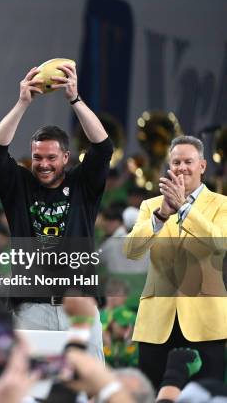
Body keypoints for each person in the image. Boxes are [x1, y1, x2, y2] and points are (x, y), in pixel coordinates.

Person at [0, 64, 113, 361]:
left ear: (66, 157)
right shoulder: (20, 186)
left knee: (88, 387)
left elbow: (103, 148)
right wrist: (22, 103)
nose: (43, 164)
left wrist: (75, 100)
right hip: (31, 310)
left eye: (51, 158)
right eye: (37, 157)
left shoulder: (83, 185)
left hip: (78, 305)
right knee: (29, 387)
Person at [124, 135, 227, 389]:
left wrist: (184, 209)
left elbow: (219, 243)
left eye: (188, 162)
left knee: (205, 395)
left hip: (206, 323)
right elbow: (131, 250)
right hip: (157, 322)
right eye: (176, 162)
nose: (182, 167)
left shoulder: (222, 204)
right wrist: (160, 217)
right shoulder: (151, 206)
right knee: (151, 393)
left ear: (202, 166)